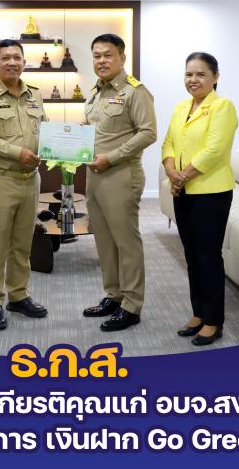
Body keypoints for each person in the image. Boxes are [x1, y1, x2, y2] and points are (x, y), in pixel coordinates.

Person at [0, 39, 48, 331]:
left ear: (24, 62)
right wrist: (18, 153)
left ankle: (18, 295)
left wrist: (63, 145)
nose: (12, 63)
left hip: (30, 180)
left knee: (22, 243)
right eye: (5, 58)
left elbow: (45, 129)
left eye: (17, 57)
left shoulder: (35, 94)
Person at [161, 52, 238, 346]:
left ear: (215, 77)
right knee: (191, 255)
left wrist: (182, 176)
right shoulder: (181, 107)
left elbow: (214, 150)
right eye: (189, 74)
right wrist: (172, 172)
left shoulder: (222, 107)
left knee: (208, 256)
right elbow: (169, 143)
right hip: (182, 190)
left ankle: (214, 321)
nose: (193, 80)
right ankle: (199, 314)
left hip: (211, 192)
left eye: (201, 74)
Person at [83, 33, 157, 331]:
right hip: (94, 175)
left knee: (126, 242)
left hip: (121, 175)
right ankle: (114, 295)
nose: (101, 60)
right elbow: (97, 129)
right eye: (97, 55)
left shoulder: (135, 92)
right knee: (104, 240)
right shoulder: (96, 92)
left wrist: (111, 157)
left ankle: (132, 304)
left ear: (122, 58)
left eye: (108, 55)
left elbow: (148, 132)